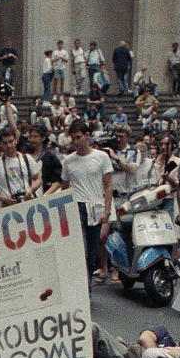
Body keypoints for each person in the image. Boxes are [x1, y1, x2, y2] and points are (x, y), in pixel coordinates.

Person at [59, 121, 113, 291]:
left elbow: (108, 185)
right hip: (77, 207)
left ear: (87, 135)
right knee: (81, 250)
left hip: (95, 208)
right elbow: (64, 186)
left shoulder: (101, 157)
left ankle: (87, 284)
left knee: (92, 252)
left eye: (79, 137)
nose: (76, 141)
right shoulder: (69, 160)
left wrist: (106, 211)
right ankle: (84, 292)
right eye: (73, 138)